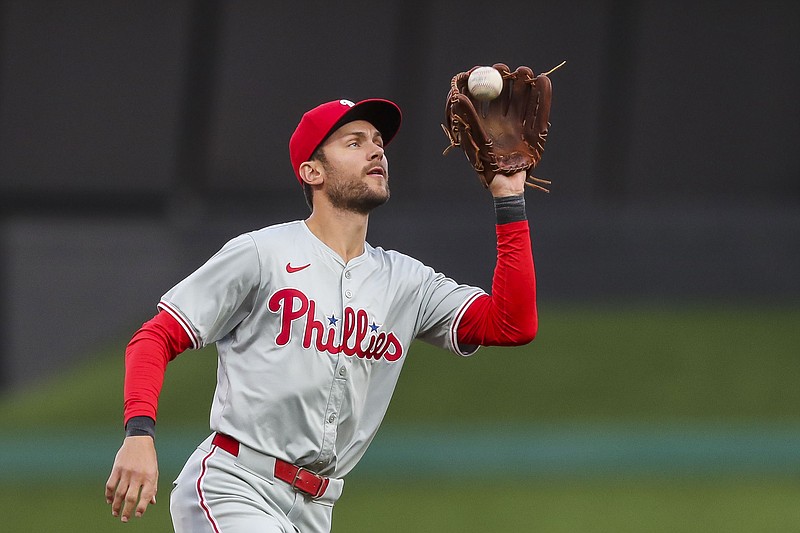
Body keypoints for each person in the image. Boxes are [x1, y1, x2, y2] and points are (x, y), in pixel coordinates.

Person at [105, 97, 539, 532]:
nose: (375, 151)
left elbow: (512, 325)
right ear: (312, 172)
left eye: (377, 142)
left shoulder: (408, 282)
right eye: (354, 143)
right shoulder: (263, 254)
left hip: (317, 510)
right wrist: (139, 435)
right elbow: (156, 336)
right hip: (234, 487)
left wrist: (509, 197)